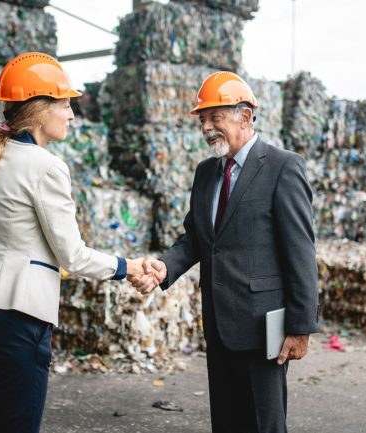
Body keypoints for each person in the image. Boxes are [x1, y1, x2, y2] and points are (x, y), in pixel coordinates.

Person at [0, 52, 157, 433]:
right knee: (16, 423)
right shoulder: (47, 167)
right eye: (65, 103)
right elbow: (72, 256)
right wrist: (128, 267)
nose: (72, 113)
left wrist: (3, 241)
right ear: (40, 109)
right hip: (18, 315)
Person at [130, 71, 320, 433]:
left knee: (264, 424)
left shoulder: (282, 167)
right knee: (227, 422)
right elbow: (196, 238)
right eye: (203, 119)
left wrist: (301, 327)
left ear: (245, 116)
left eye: (215, 117)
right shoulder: (206, 173)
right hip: (218, 324)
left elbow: (301, 252)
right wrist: (163, 267)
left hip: (264, 326)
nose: (207, 127)